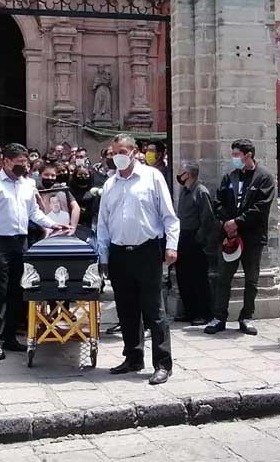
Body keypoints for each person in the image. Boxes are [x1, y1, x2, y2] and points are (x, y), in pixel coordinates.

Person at [97, 134, 179, 385]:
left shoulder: (152, 177)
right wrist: (103, 255)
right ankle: (133, 357)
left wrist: (172, 246)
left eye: (121, 151)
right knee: (126, 310)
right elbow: (103, 222)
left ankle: (162, 363)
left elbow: (169, 216)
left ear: (133, 151)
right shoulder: (110, 184)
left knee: (154, 310)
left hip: (147, 251)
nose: (117, 156)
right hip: (120, 253)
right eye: (113, 152)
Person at [0, 143, 69, 360]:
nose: (23, 166)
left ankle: (10, 337)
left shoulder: (27, 184)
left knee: (17, 291)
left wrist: (52, 224)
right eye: (19, 163)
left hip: (21, 242)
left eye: (25, 163)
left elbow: (34, 212)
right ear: (6, 161)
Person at [206, 139, 276, 336]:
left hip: (252, 236)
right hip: (229, 235)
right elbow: (218, 201)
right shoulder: (230, 177)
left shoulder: (264, 178)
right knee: (223, 277)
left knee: (251, 278)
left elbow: (261, 207)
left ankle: (247, 316)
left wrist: (239, 222)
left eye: (237, 154)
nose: (234, 158)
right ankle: (219, 316)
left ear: (249, 155)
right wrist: (227, 222)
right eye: (233, 154)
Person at [174, 162, 214, 326]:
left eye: (181, 173)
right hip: (182, 237)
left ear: (188, 174)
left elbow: (207, 218)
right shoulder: (184, 191)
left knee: (198, 278)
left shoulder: (200, 191)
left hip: (194, 238)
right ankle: (189, 311)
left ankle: (203, 313)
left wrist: (199, 238)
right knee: (184, 276)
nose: (179, 176)